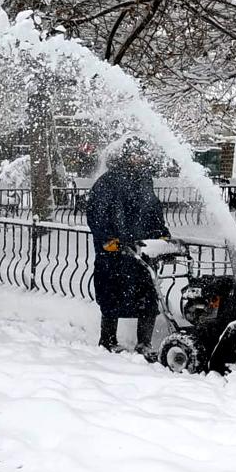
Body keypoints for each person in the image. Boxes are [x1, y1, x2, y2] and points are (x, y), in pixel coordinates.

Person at [85, 139, 168, 356]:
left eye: (141, 155)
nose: (139, 159)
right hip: (114, 253)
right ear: (125, 156)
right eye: (134, 155)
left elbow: (153, 211)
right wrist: (107, 240)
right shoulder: (108, 181)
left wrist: (162, 233)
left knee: (148, 298)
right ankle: (108, 340)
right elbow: (96, 213)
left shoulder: (145, 180)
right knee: (111, 297)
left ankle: (144, 344)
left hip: (141, 250)